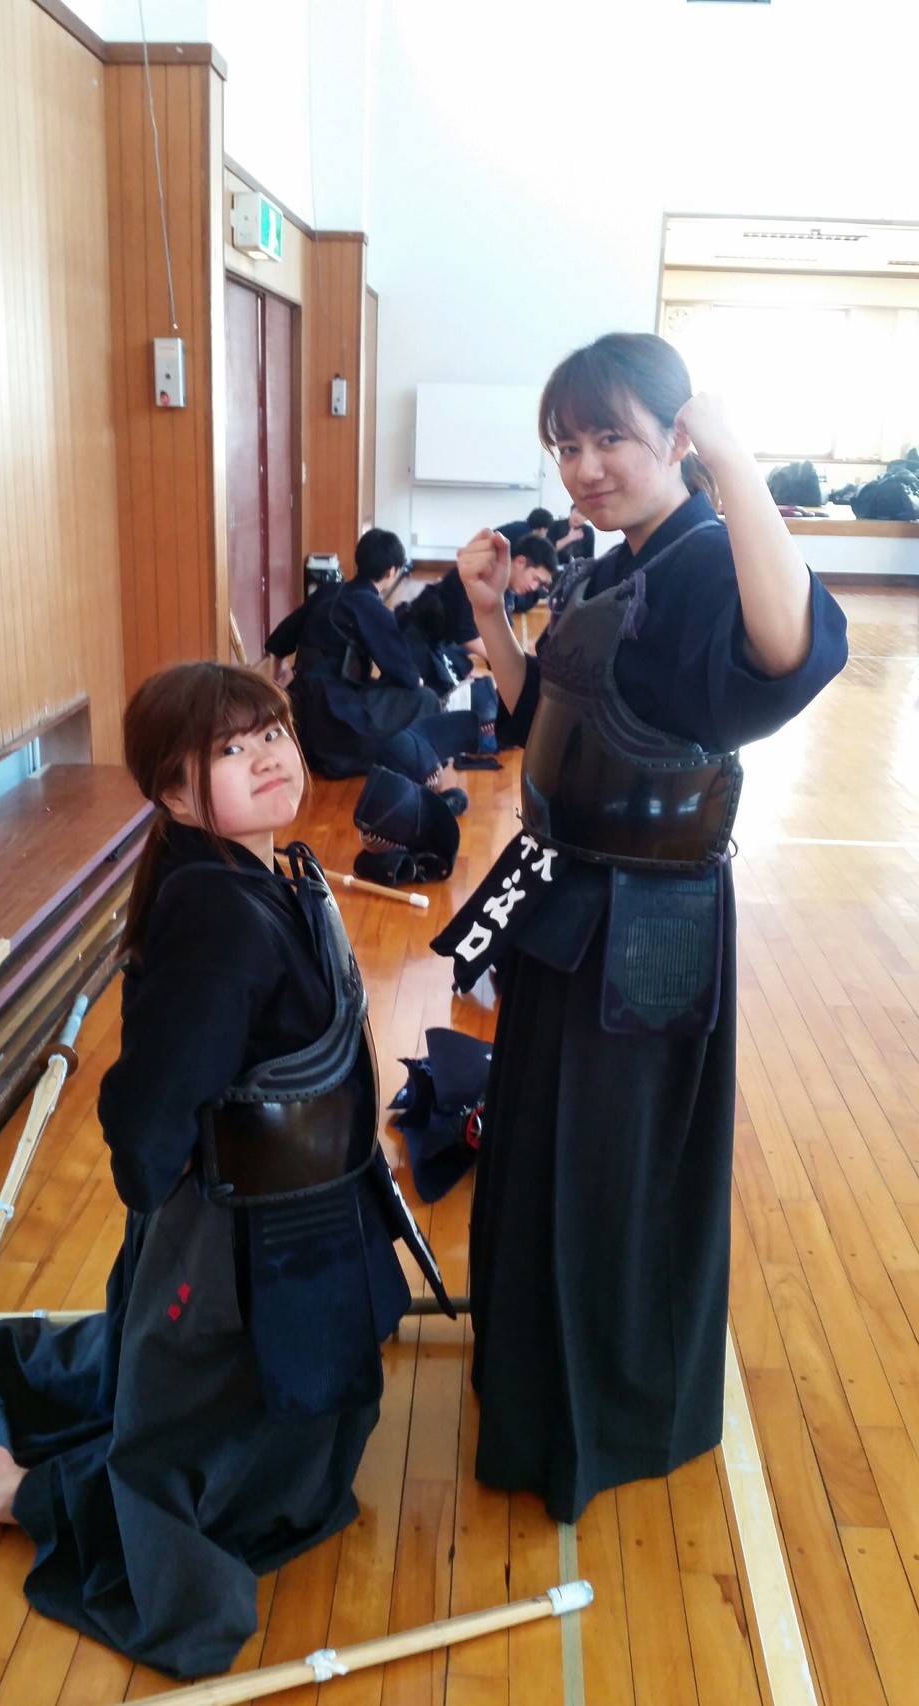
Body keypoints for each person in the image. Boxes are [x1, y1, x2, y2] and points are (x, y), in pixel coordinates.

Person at [0, 661, 450, 1676]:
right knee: (234, 1478)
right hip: (238, 1235)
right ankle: (21, 1491)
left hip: (300, 1223)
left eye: (272, 731)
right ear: (176, 795)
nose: (268, 755)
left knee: (303, 1444)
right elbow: (148, 1113)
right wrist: (176, 1225)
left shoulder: (276, 872)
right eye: (229, 747)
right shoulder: (216, 912)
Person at [436, 332, 848, 1524]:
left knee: (614, 1172)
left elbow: (792, 652)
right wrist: (488, 612)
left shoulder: (712, 556)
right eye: (567, 443)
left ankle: (599, 1418)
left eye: (610, 436)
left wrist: (739, 464)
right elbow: (542, 718)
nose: (584, 466)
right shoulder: (609, 566)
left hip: (648, 920)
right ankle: (534, 1382)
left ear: (675, 434)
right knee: (541, 1149)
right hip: (565, 896)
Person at [265, 527, 440, 779]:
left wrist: (278, 666)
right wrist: (419, 681)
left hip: (302, 710)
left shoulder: (327, 591)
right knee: (424, 697)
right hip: (337, 714)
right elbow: (403, 673)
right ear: (391, 571)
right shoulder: (371, 607)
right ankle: (410, 755)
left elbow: (280, 637)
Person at [402, 533, 558, 667]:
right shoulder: (479, 576)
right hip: (417, 636)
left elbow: (503, 632)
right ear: (520, 562)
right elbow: (467, 636)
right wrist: (508, 663)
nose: (533, 587)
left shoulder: (506, 589)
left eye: (539, 583)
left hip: (443, 641)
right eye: (535, 579)